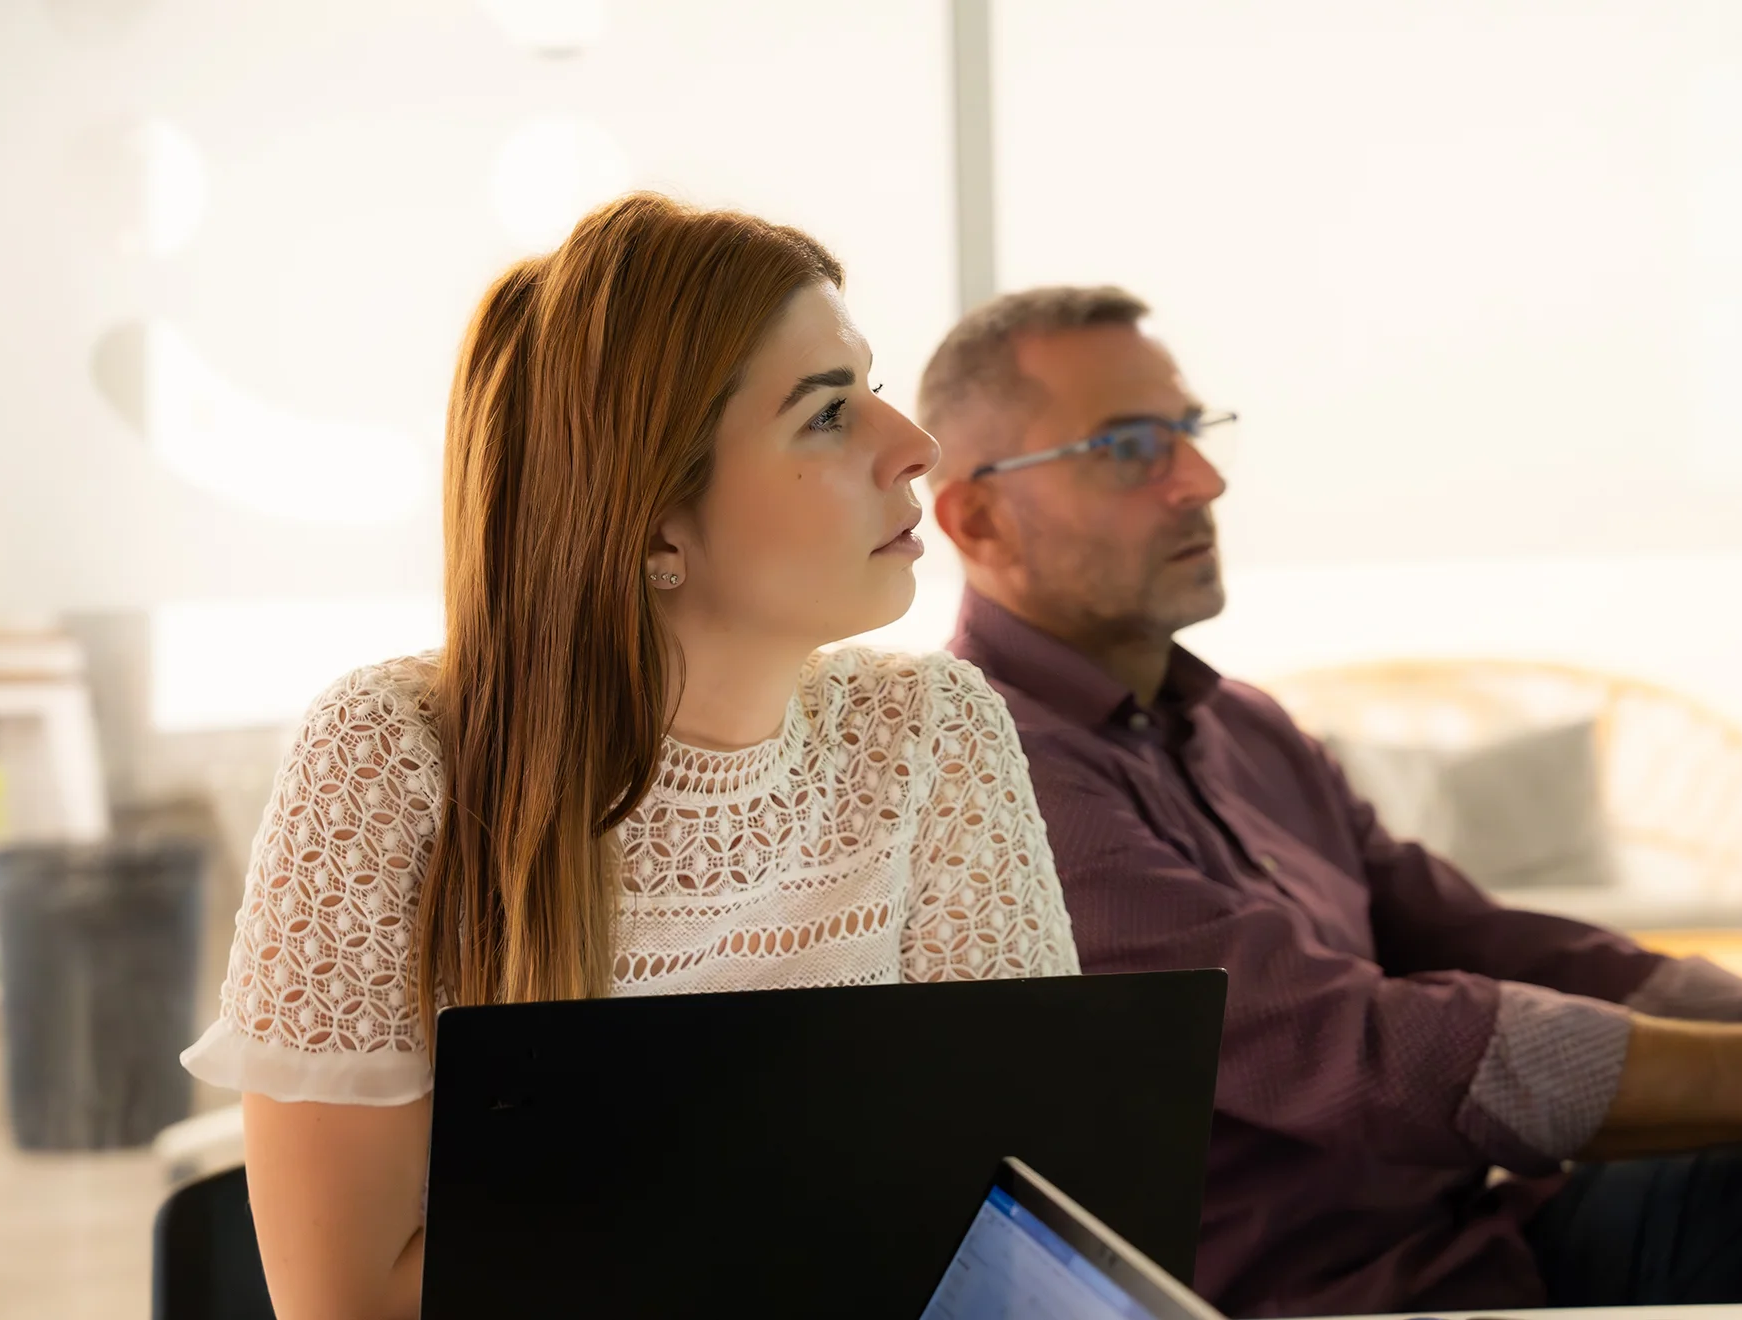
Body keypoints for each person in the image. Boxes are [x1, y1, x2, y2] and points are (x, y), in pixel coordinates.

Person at [181, 196, 1079, 1320]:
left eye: (872, 388)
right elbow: (350, 1304)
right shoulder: (391, 756)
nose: (915, 446)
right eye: (826, 413)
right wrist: (837, 1205)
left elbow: (1024, 1221)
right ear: (654, 519)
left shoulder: (933, 729)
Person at [921, 284, 1742, 1317]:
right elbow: (1365, 1047)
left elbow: (1483, 936)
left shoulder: (1242, 724)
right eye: (1130, 448)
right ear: (980, 518)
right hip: (1347, 1300)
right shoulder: (996, 777)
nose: (1201, 479)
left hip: (1488, 1242)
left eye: (1193, 430)